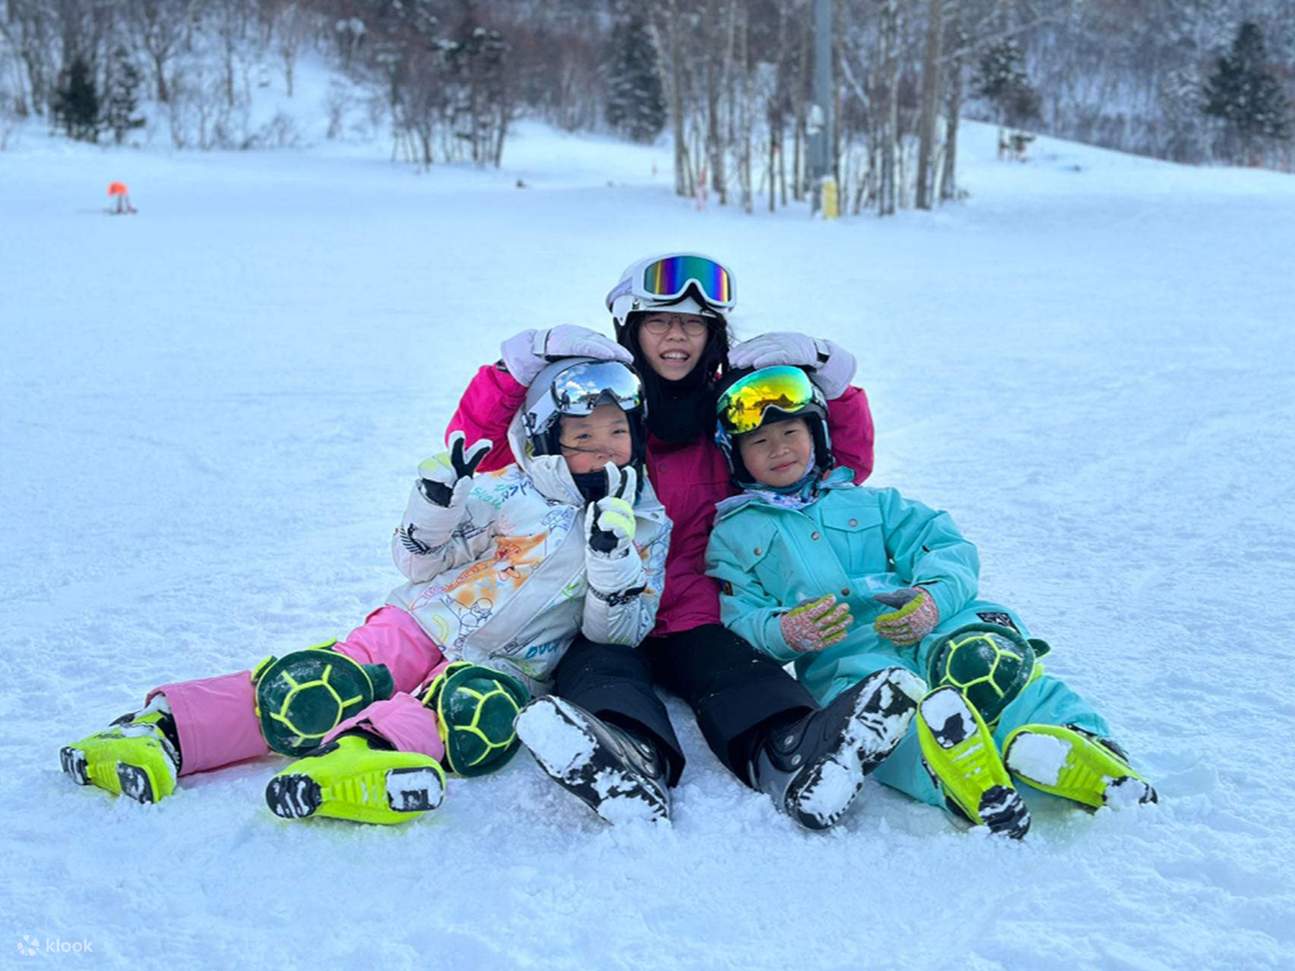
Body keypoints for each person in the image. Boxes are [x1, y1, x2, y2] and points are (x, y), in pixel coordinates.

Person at [60, 359, 670, 825]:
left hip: (510, 662)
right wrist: (435, 505)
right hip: (422, 622)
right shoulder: (508, 491)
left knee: (471, 710)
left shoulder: (645, 522)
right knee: (328, 686)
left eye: (616, 432)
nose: (602, 448)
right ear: (544, 437)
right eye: (581, 435)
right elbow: (415, 561)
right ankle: (159, 734)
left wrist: (612, 561)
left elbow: (618, 634)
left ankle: (361, 760)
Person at [446, 253, 912, 830]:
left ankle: (796, 754)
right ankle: (626, 761)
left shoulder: (736, 407)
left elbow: (835, 466)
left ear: (713, 334)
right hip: (596, 602)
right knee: (602, 677)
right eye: (659, 322)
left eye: (693, 324)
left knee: (738, 673)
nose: (676, 337)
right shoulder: (596, 404)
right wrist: (511, 373)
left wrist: (832, 383)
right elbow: (482, 466)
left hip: (697, 606)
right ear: (631, 330)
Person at [704, 365, 1159, 837]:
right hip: (847, 656)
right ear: (735, 457)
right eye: (758, 442)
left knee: (985, 660)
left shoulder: (872, 502)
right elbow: (740, 619)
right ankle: (961, 778)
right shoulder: (734, 536)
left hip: (931, 624)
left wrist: (932, 599)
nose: (778, 448)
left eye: (790, 431)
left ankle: (1081, 745)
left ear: (817, 433)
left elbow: (945, 546)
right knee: (884, 715)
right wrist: (784, 631)